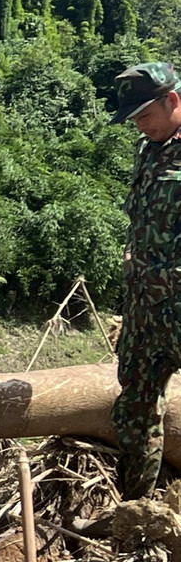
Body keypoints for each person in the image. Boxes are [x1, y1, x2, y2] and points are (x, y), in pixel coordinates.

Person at [109, 62, 181, 501]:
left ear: (172, 101)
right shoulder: (148, 149)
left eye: (144, 114)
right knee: (134, 411)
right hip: (144, 312)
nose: (139, 125)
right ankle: (134, 513)